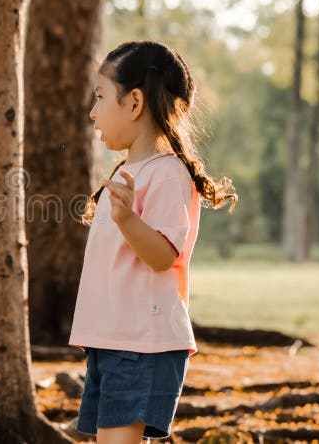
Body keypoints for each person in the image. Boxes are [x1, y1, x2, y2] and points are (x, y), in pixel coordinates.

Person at [69, 41, 237, 443]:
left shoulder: (167, 174)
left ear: (135, 102)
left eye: (100, 97)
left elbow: (163, 256)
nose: (92, 112)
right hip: (115, 342)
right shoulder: (131, 170)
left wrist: (127, 219)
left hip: (141, 343)